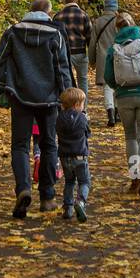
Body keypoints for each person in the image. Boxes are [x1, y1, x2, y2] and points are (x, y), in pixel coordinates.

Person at [0, 0, 72, 219]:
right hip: (49, 98)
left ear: (30, 10)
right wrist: (66, 96)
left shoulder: (14, 31)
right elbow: (62, 67)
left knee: (20, 145)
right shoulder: (56, 34)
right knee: (49, 144)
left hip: (20, 95)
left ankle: (23, 189)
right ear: (48, 12)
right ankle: (48, 197)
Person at [104, 12, 140, 197]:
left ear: (117, 29)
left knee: (130, 136)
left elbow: (108, 78)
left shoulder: (114, 48)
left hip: (124, 97)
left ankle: (135, 178)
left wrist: (120, 87)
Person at [56, 86, 91, 221]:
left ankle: (68, 207)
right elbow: (87, 133)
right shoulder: (82, 118)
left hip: (65, 156)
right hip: (80, 156)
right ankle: (81, 202)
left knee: (69, 182)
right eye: (82, 104)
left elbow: (57, 131)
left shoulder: (59, 118)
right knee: (84, 182)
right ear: (77, 105)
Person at [53, 0, 92, 110]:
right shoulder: (83, 15)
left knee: (66, 80)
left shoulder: (58, 16)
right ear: (76, 0)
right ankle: (83, 109)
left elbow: (54, 36)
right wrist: (90, 55)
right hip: (80, 52)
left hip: (63, 54)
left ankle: (67, 107)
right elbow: (89, 35)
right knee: (82, 81)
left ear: (65, 0)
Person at [89, 0, 120, 126]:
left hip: (103, 57)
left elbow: (92, 43)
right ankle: (117, 112)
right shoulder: (120, 20)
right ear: (116, 7)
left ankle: (110, 114)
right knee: (118, 84)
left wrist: (92, 60)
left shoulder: (98, 22)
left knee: (108, 87)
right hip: (120, 56)